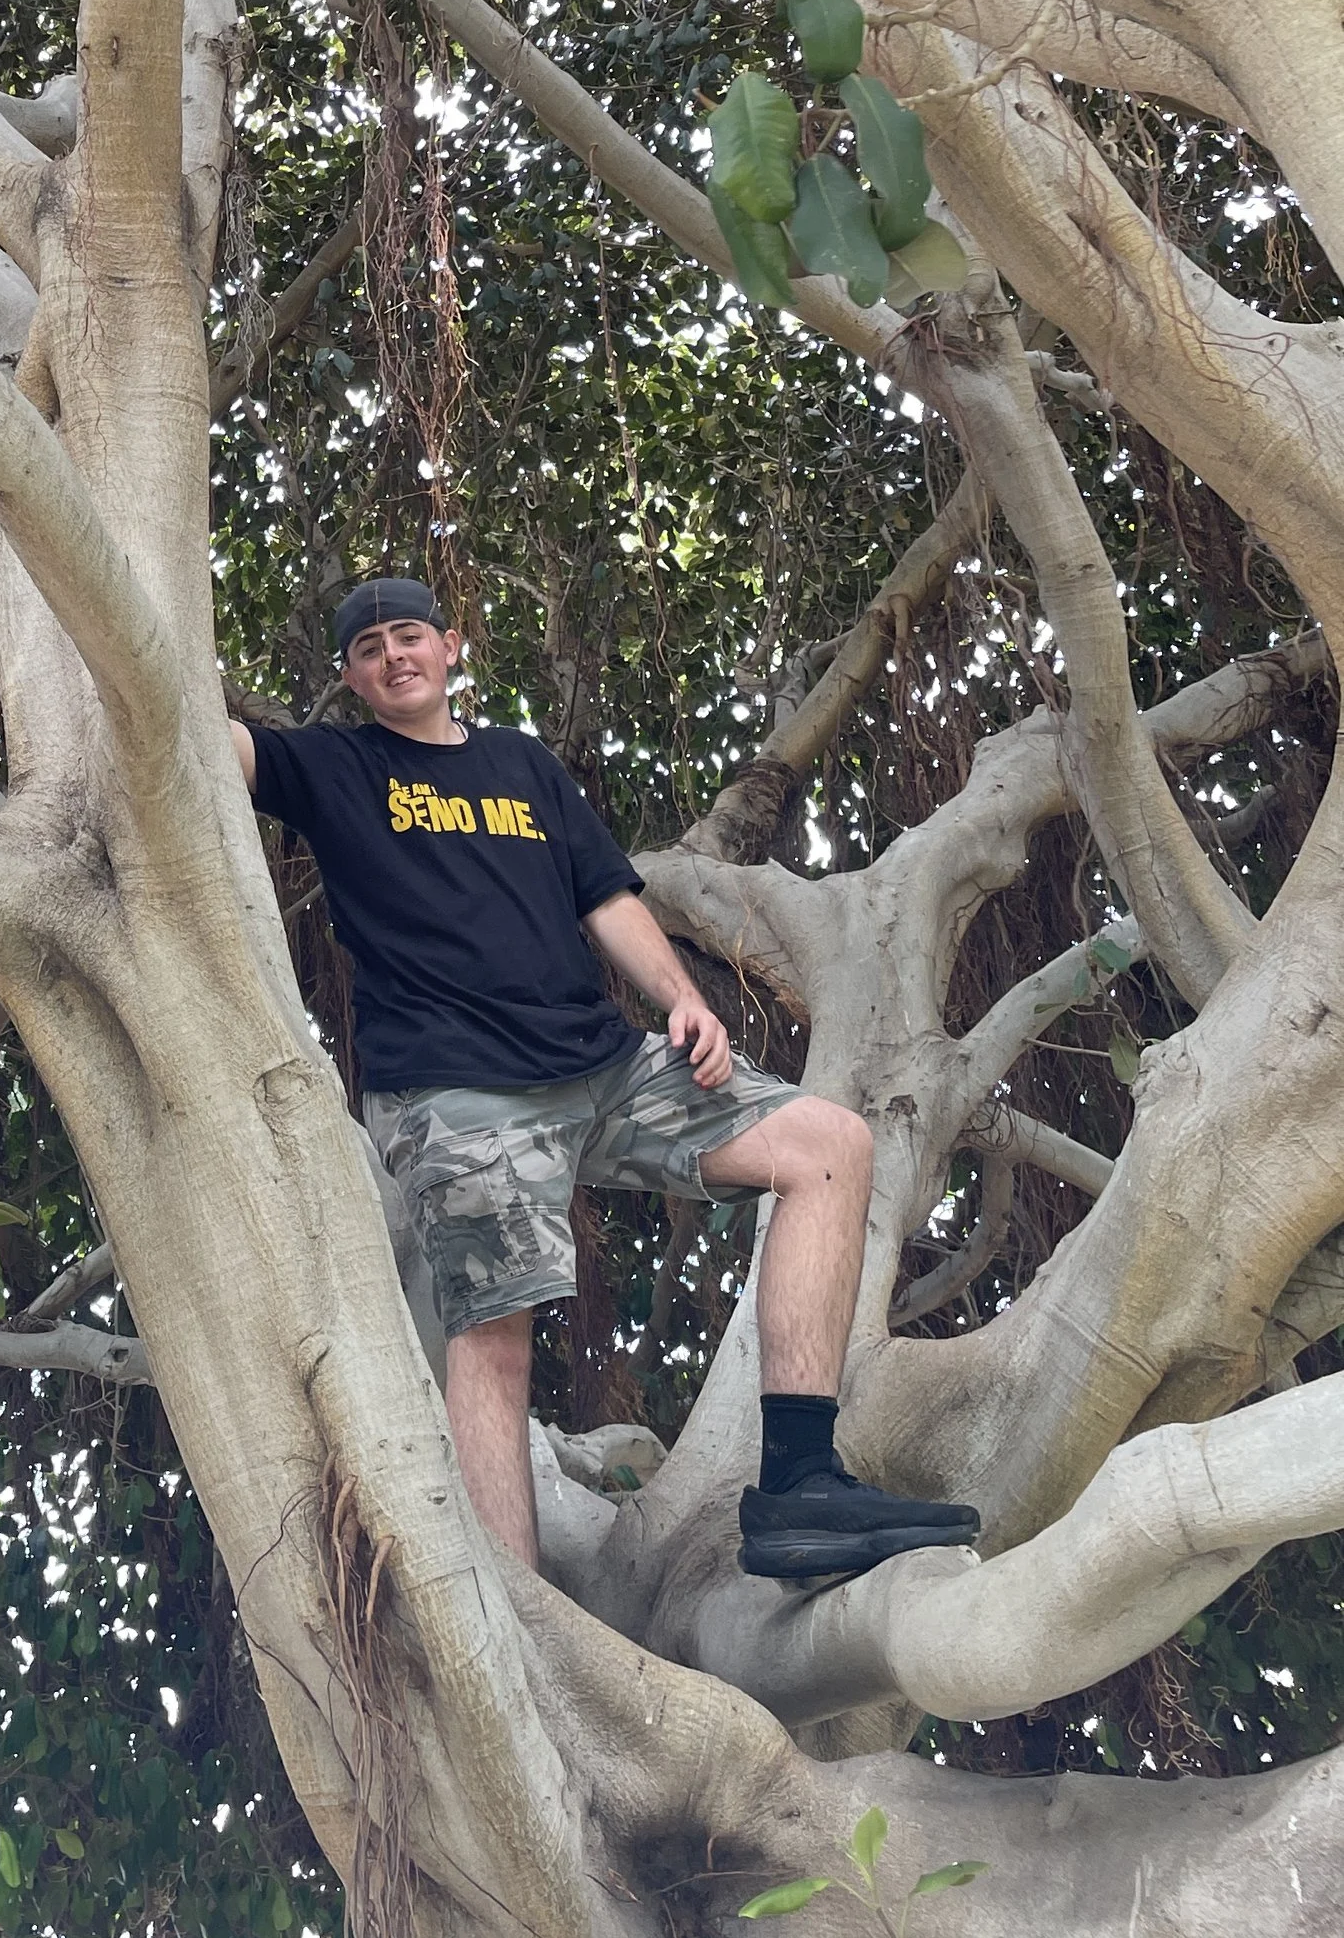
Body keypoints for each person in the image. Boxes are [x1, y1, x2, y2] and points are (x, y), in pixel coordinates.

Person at [230, 578, 980, 1581]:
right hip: (457, 1089)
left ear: (452, 648)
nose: (392, 656)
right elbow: (210, 746)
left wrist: (683, 998)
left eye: (408, 635)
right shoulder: (328, 765)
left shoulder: (521, 764)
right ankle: (523, 1622)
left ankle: (798, 1489)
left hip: (603, 1065)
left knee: (830, 1145)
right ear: (350, 677)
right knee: (494, 1340)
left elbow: (606, 896)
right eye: (367, 648)